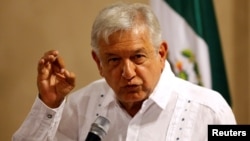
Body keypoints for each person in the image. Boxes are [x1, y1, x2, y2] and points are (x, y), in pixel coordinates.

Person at [13, 2, 236, 141]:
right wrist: (49, 105)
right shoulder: (80, 106)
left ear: (161, 53)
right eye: (113, 60)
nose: (127, 72)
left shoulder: (211, 110)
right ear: (98, 62)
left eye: (138, 57)